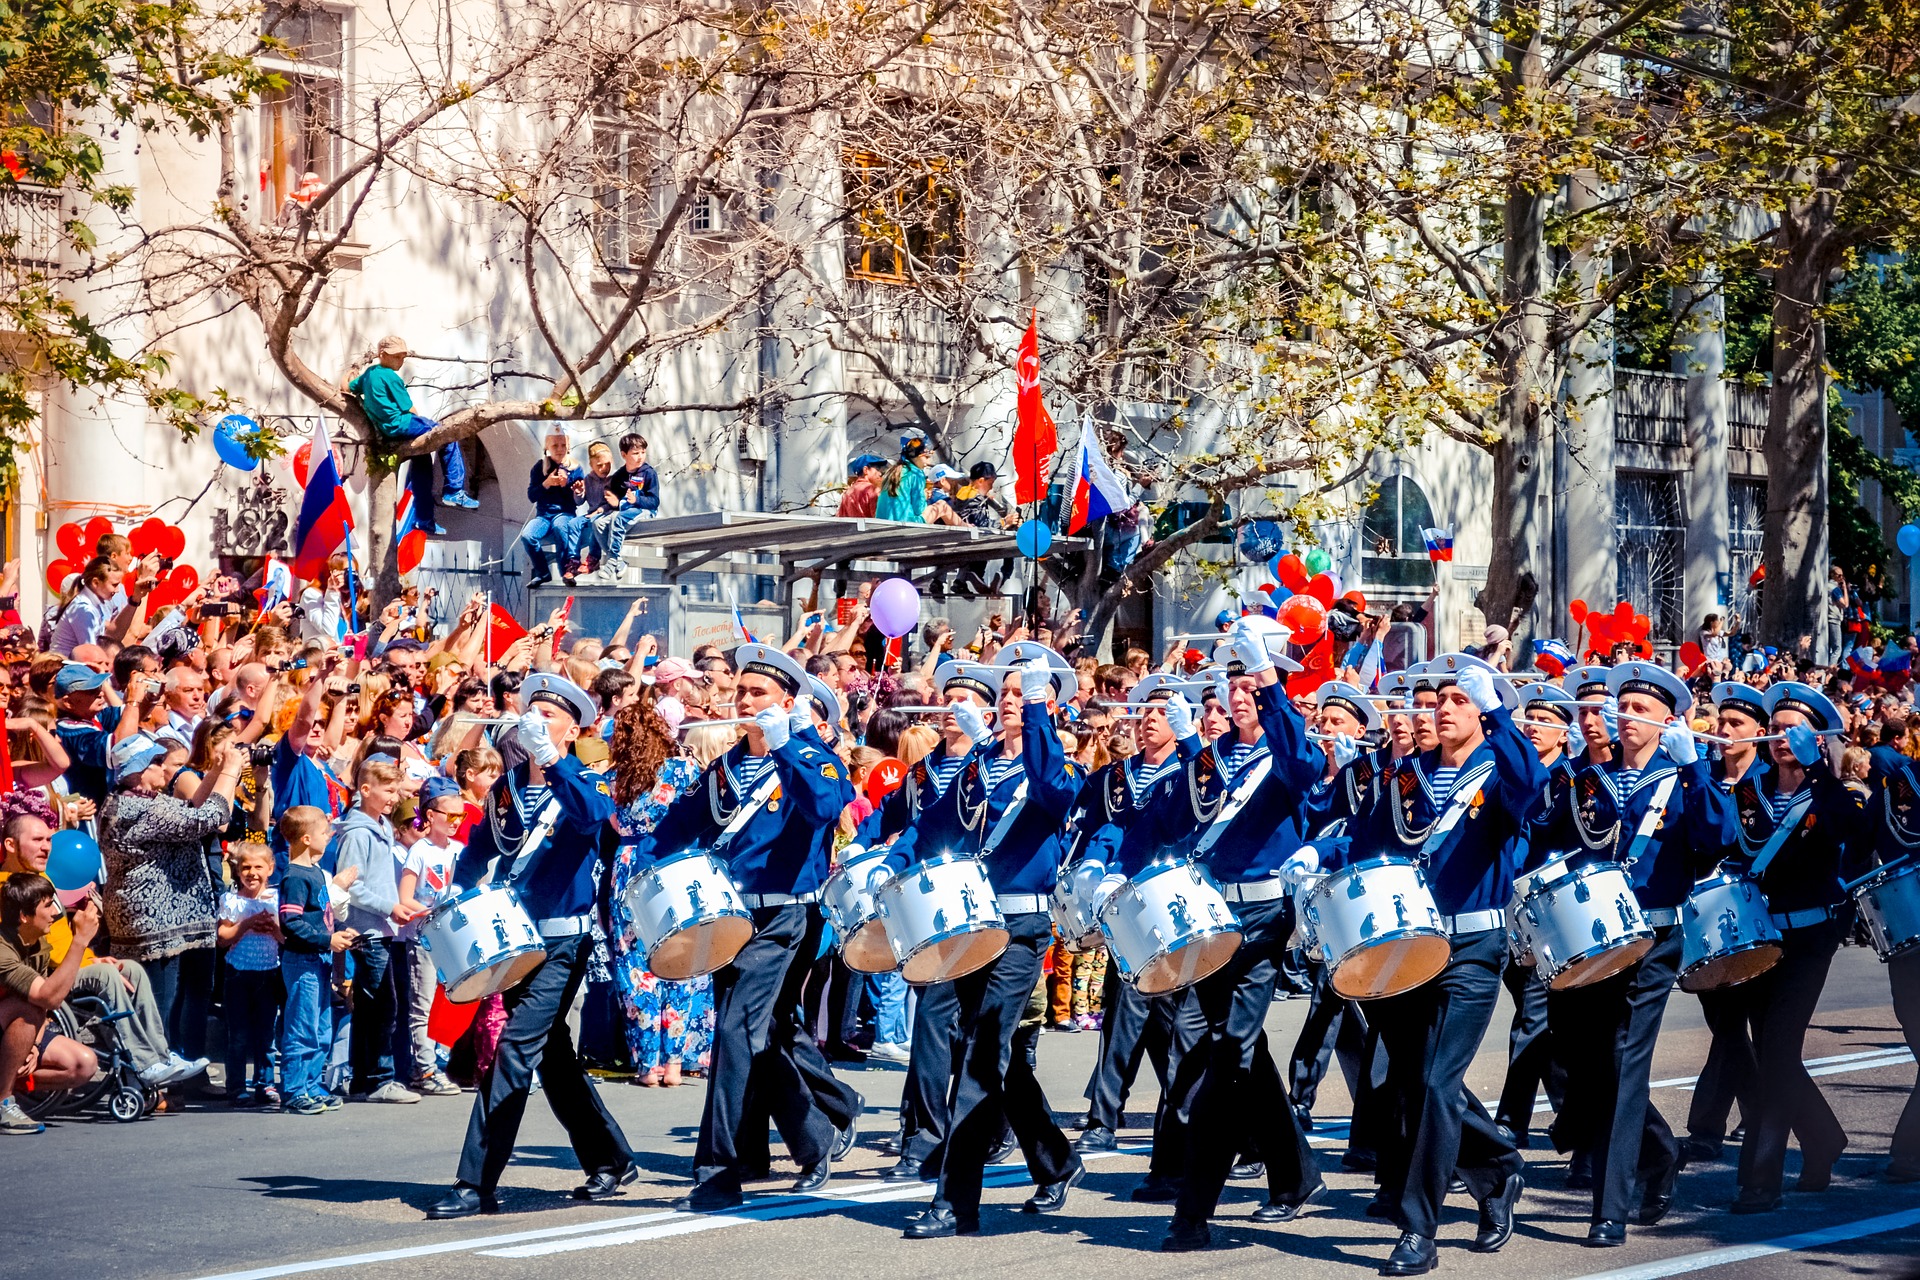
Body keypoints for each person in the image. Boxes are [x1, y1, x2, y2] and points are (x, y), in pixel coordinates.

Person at [1312, 653, 1540, 1275]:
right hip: (1412, 944)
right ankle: (1497, 1171)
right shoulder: (1408, 772)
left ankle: (1419, 1229)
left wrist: (1498, 708)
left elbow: (1531, 788)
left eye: (1458, 701)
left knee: (1439, 1083)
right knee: (1415, 1082)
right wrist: (1322, 856)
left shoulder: (1499, 769)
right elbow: (1369, 840)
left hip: (1474, 947)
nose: (1443, 709)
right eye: (1438, 701)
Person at [633, 645, 858, 1213]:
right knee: (756, 1035)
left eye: (759, 693)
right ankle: (814, 1137)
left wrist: (789, 742)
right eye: (742, 691)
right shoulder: (728, 766)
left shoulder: (812, 756)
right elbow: (681, 824)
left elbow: (827, 805)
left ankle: (717, 1169)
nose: (746, 701)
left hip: (786, 916)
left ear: (787, 700)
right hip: (731, 916)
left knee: (735, 1032)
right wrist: (647, 863)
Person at [1126, 623, 1323, 1250]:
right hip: (1209, 920)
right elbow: (1160, 819)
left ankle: (1193, 1212)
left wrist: (1269, 680)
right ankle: (1295, 1174)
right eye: (1229, 686)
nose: (1235, 696)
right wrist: (1113, 866)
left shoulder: (1292, 748)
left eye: (1248, 685)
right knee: (1244, 1052)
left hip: (1265, 923)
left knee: (1226, 1052)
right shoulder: (1208, 760)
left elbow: (1301, 769)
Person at [879, 644, 1084, 1239]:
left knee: (980, 1057)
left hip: (1021, 927)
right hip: (968, 919)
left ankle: (954, 1201)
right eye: (1009, 694)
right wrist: (888, 864)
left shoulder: (1054, 764)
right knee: (990, 1053)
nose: (1011, 702)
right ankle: (1054, 1158)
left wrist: (1042, 710)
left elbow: (1053, 792)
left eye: (1023, 694)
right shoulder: (980, 764)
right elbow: (933, 824)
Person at [1537, 662, 1734, 1246]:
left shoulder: (1683, 778)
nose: (1626, 718)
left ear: (1669, 722)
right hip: (1589, 936)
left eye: (1641, 711)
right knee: (1582, 1059)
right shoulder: (1586, 776)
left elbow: (1718, 839)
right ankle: (1660, 1149)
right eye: (1623, 708)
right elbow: (1543, 834)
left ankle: (1610, 1206)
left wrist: (1697, 769)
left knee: (1623, 1063)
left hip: (1652, 938)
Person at [431, 673, 634, 1219]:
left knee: (515, 1050)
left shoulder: (587, 780)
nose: (536, 721)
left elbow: (596, 819)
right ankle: (610, 1156)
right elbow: (480, 847)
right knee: (551, 1057)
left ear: (572, 728)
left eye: (549, 715)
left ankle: (475, 1182)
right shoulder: (507, 786)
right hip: (514, 937)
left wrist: (556, 760)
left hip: (564, 941)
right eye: (532, 712)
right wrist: (458, 887)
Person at [1722, 682, 1868, 1212]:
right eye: (1777, 727)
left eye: (1795, 728)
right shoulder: (1749, 791)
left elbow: (1853, 833)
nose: (1783, 736)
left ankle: (1760, 1180)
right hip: (1760, 939)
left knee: (1779, 1049)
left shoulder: (1836, 794)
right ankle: (1824, 1137)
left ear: (1817, 737)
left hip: (1810, 938)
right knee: (1772, 1052)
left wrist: (1824, 775)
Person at [0, 812, 199, 1091]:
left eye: (48, 839)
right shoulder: (8, 890)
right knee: (106, 975)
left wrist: (91, 958)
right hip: (40, 980)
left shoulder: (43, 879)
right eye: (37, 840)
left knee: (130, 969)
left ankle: (160, 1059)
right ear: (10, 845)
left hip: (63, 965)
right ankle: (143, 1063)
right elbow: (50, 955)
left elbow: (60, 942)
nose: (47, 846)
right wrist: (85, 953)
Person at [99, 732, 244, 1071]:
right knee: (156, 1002)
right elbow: (209, 818)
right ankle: (148, 1072)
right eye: (156, 763)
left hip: (163, 917)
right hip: (151, 921)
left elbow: (191, 806)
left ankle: (159, 1069)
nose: (165, 769)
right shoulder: (136, 809)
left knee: (164, 997)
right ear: (137, 771)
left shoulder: (138, 800)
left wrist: (217, 767)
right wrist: (231, 772)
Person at [606, 691, 711, 1088]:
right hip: (671, 866)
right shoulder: (683, 770)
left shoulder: (615, 779)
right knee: (681, 959)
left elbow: (614, 825)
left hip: (629, 867)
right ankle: (676, 1063)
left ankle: (646, 1064)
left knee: (635, 966)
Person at [328, 757, 424, 1104]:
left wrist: (400, 905)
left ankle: (363, 1079)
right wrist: (390, 907)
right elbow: (351, 885)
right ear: (365, 790)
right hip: (366, 931)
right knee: (381, 1006)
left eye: (397, 789)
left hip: (381, 927)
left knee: (375, 1007)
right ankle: (378, 1078)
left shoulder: (381, 826)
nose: (394, 797)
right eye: (388, 789)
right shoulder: (357, 833)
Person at [0, 877, 103, 1134]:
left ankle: (8, 1081)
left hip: (16, 1029)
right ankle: (3, 1103)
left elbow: (46, 1006)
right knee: (26, 1007)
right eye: (47, 906)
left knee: (84, 1064)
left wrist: (34, 1044)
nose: (56, 913)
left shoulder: (38, 943)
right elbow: (48, 997)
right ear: (24, 916)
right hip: (9, 1020)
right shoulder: (2, 948)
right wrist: (80, 941)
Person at [347, 334, 477, 533]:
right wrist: (424, 427)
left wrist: (350, 372)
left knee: (422, 463)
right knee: (446, 435)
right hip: (402, 424)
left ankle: (424, 518)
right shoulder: (391, 377)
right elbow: (409, 409)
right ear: (382, 354)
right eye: (397, 356)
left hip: (387, 430)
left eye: (402, 356)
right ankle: (454, 490)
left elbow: (346, 387)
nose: (401, 361)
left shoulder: (369, 374)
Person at [277, 806, 359, 1115]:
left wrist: (339, 932)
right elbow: (291, 924)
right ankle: (295, 1089)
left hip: (320, 962)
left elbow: (323, 916)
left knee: (322, 1027)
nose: (329, 837)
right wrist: (328, 940)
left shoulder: (315, 871)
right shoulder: (295, 876)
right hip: (302, 963)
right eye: (325, 833)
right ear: (308, 838)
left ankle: (312, 1085)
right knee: (302, 1028)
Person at [397, 778, 467, 1097]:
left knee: (448, 1003)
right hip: (424, 939)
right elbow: (406, 897)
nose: (456, 821)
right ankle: (424, 1069)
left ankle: (439, 1062)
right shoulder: (419, 852)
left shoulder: (461, 850)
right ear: (429, 815)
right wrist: (430, 912)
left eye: (460, 816)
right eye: (450, 815)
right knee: (422, 1005)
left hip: (451, 939)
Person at [216, 845, 284, 1106]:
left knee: (266, 1033)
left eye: (258, 867)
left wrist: (273, 928)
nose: (252, 873)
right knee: (239, 1033)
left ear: (270, 869)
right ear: (237, 870)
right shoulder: (232, 900)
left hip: (268, 971)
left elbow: (284, 939)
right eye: (246, 867)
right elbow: (222, 938)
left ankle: (265, 1083)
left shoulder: (276, 899)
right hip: (238, 974)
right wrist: (246, 924)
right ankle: (236, 1085)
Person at [519, 427, 588, 589]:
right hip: (544, 515)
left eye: (563, 445)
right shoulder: (539, 467)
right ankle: (543, 572)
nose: (559, 449)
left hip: (565, 513)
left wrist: (571, 488)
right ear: (547, 448)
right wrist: (547, 483)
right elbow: (532, 496)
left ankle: (566, 571)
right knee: (527, 536)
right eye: (555, 446)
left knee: (560, 527)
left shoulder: (575, 468)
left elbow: (579, 502)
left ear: (568, 447)